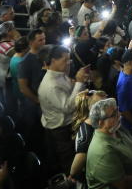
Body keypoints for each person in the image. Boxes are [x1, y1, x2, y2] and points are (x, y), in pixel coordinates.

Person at [38, 44, 90, 175]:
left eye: (69, 59)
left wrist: (78, 83)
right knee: (69, 162)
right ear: (53, 61)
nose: (68, 63)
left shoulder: (59, 74)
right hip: (60, 130)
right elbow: (67, 107)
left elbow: (69, 91)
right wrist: (78, 83)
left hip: (68, 124)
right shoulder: (51, 84)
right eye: (65, 60)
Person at [85, 98, 132, 189]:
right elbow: (122, 184)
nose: (119, 114)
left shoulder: (117, 128)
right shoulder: (103, 150)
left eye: (117, 110)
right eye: (114, 114)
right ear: (101, 123)